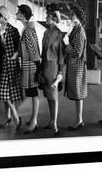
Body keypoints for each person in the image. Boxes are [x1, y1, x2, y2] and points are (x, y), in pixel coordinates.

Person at [0, 6, 22, 130]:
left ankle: (15, 116)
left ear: (2, 16)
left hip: (12, 65)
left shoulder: (13, 30)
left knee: (7, 92)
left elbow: (20, 48)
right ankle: (8, 116)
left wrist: (15, 55)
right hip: (3, 65)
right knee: (4, 92)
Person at [62, 2, 88, 131]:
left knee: (78, 94)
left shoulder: (80, 32)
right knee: (78, 95)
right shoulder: (76, 29)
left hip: (77, 67)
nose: (70, 16)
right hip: (75, 67)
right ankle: (79, 119)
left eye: (72, 14)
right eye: (70, 14)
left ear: (77, 16)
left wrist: (67, 44)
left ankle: (79, 120)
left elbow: (77, 53)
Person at [16, 4, 41, 134]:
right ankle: (33, 118)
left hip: (31, 65)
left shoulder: (27, 30)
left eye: (18, 12)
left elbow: (33, 50)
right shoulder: (27, 28)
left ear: (23, 15)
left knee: (33, 93)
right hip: (30, 64)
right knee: (32, 93)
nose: (16, 14)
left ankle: (34, 121)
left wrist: (38, 68)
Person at [40, 8, 65, 136]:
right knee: (48, 96)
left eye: (48, 16)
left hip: (53, 67)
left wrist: (60, 72)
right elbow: (42, 51)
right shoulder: (45, 33)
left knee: (54, 97)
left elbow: (61, 55)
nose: (46, 18)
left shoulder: (60, 35)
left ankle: (54, 123)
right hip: (44, 66)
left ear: (54, 19)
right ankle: (51, 120)